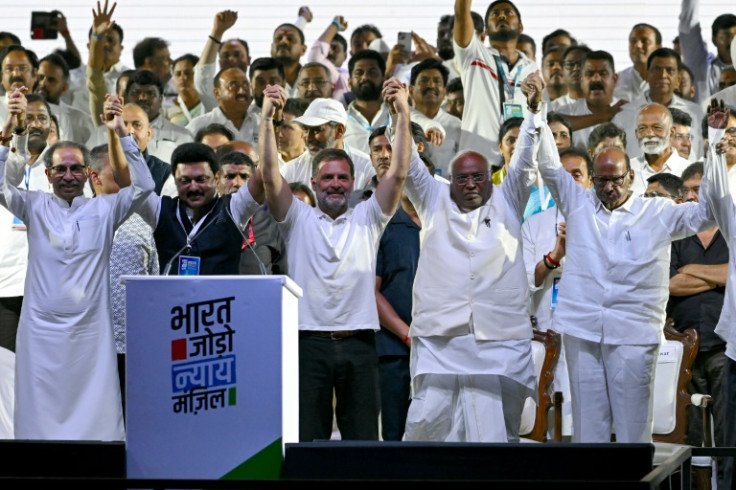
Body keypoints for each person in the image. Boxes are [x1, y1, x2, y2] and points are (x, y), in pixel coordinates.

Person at [532, 70, 714, 444]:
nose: (609, 187)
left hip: (633, 334)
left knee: (633, 433)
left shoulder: (658, 212)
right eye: (601, 180)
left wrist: (714, 150)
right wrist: (537, 110)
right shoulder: (578, 202)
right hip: (583, 332)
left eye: (616, 179)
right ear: (593, 180)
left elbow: (704, 214)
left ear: (631, 176)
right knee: (588, 431)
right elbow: (550, 166)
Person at [259, 77, 411, 442]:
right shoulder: (296, 217)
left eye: (343, 177)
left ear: (354, 181)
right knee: (307, 440)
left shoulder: (370, 216)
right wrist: (267, 120)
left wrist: (403, 115)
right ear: (313, 181)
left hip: (359, 342)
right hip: (307, 341)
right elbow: (268, 174)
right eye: (327, 178)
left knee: (362, 444)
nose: (335, 184)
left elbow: (400, 172)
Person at [0, 93, 155, 440]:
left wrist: (120, 133)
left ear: (88, 173)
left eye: (75, 169)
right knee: (37, 417)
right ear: (48, 173)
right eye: (60, 169)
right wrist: (10, 132)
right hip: (40, 331)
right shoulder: (33, 205)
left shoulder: (106, 209)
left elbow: (145, 186)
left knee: (95, 421)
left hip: (91, 331)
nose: (68, 176)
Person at [401, 74, 539, 443]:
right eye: (463, 178)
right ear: (451, 180)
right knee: (427, 425)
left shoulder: (509, 198)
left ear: (492, 178)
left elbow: (525, 159)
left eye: (479, 177)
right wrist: (399, 113)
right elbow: (408, 166)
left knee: (494, 431)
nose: (472, 185)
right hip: (441, 338)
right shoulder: (433, 199)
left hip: (499, 338)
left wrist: (534, 111)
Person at [521, 146, 594, 440]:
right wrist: (553, 257)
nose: (568, 181)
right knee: (549, 418)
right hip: (546, 333)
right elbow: (524, 280)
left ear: (590, 181)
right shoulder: (534, 224)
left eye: (576, 175)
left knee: (587, 414)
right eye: (561, 175)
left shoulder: (604, 221)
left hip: (589, 332)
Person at [667, 160, 728, 489]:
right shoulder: (678, 235)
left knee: (726, 428)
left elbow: (733, 274)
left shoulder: (731, 228)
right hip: (681, 349)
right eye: (687, 190)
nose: (692, 195)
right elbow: (671, 285)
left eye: (698, 189)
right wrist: (718, 275)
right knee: (689, 431)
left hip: (723, 347)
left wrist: (692, 270)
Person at [88, 142, 158, 417]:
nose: (128, 179)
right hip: (88, 344)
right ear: (94, 177)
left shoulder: (145, 224)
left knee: (134, 420)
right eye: (118, 173)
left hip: (134, 348)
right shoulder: (74, 219)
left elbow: (154, 280)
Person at [698, 98, 736, 490]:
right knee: (732, 444)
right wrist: (714, 136)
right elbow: (714, 197)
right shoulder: (735, 222)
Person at [453, 0, 538, 162]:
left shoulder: (532, 68)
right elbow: (461, 15)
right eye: (495, 14)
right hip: (477, 163)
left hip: (519, 164)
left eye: (508, 12)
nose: (502, 16)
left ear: (521, 27)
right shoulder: (473, 54)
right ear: (486, 30)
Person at [214, 148, 286, 276]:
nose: (237, 183)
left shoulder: (273, 222)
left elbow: (284, 275)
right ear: (216, 181)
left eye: (244, 177)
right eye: (230, 176)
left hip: (259, 295)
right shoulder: (204, 221)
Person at [281, 97, 375, 190]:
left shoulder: (367, 168)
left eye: (317, 130)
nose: (309, 137)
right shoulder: (291, 171)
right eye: (305, 129)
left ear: (339, 131)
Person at [627, 103, 692, 196]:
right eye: (642, 128)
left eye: (657, 128)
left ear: (671, 132)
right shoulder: (626, 170)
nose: (649, 134)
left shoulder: (689, 172)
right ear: (636, 134)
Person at [614, 24, 662, 103]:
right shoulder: (616, 82)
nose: (638, 45)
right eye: (633, 41)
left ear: (658, 47)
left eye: (645, 41)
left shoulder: (669, 81)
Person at [166, 54, 204, 127]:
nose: (183, 77)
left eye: (187, 73)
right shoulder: (166, 109)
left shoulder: (209, 105)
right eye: (178, 74)